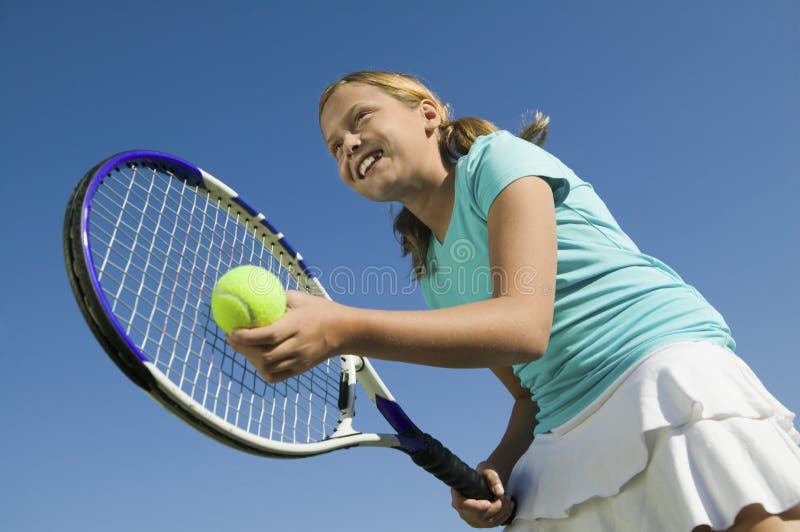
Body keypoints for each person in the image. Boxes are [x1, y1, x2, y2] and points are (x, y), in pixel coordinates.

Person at [227, 71, 800, 531]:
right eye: (334, 146)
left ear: (427, 113)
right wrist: (499, 466)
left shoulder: (495, 162)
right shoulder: (433, 271)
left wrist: (343, 328)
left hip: (656, 372)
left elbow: (524, 326)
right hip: (564, 432)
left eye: (360, 119)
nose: (348, 144)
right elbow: (528, 394)